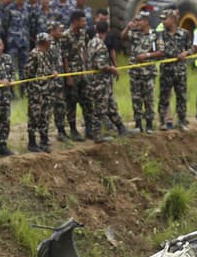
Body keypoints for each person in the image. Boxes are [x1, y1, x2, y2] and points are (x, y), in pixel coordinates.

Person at [86, 19, 125, 142]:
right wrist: (113, 69)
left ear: (96, 29)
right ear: (107, 30)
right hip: (100, 83)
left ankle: (121, 128)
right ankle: (97, 136)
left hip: (99, 82)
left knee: (111, 105)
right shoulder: (101, 46)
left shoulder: (91, 42)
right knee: (99, 109)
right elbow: (101, 65)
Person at [59, 10, 94, 138]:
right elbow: (64, 58)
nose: (85, 23)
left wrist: (88, 67)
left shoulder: (83, 34)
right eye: (82, 21)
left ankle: (89, 129)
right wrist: (68, 76)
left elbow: (85, 50)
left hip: (84, 72)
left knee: (87, 101)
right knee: (71, 101)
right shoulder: (65, 36)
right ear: (75, 21)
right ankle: (73, 129)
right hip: (72, 74)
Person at [155, 10, 191, 130]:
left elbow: (191, 48)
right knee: (164, 97)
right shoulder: (161, 34)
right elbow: (160, 51)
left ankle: (181, 121)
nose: (163, 22)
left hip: (180, 71)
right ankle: (163, 121)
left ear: (173, 20)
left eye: (165, 19)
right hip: (166, 71)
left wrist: (185, 53)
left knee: (181, 96)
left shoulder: (184, 33)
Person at [24, 31, 56, 153]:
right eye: (49, 41)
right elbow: (28, 73)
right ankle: (32, 142)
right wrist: (38, 80)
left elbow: (47, 69)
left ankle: (44, 139)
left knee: (45, 115)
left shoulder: (46, 53)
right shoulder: (34, 54)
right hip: (36, 91)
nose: (50, 43)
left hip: (47, 90)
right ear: (44, 42)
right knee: (34, 116)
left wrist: (52, 73)